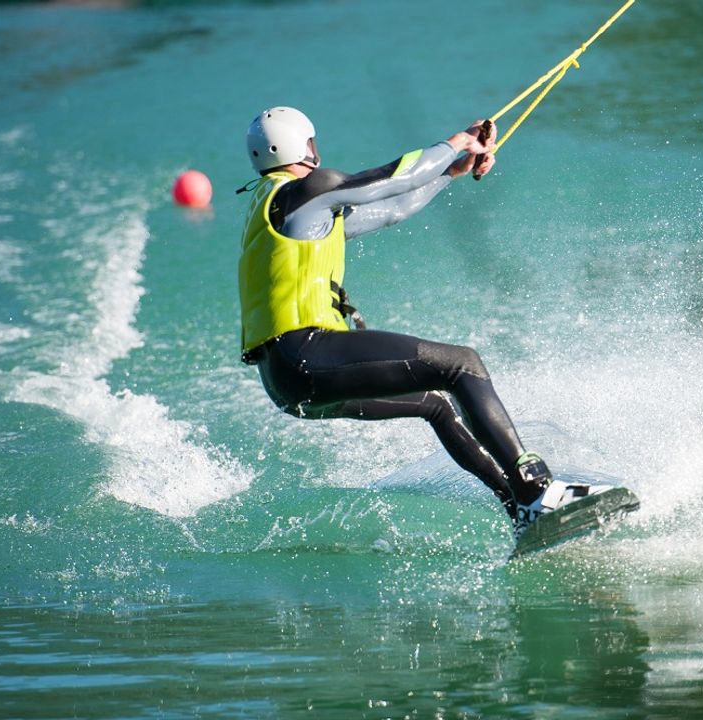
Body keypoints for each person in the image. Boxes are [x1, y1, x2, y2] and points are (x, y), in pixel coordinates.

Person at [237, 106, 606, 538]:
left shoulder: (283, 207)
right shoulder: (312, 188)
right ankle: (536, 488)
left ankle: (520, 512)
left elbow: (394, 208)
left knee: (437, 403)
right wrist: (457, 142)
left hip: (285, 382)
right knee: (462, 364)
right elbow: (396, 178)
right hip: (308, 354)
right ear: (305, 146)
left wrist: (453, 170)